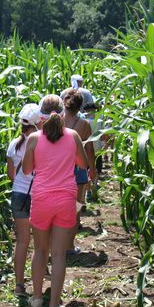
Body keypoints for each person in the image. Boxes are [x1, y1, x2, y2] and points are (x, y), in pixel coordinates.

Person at [22, 95, 89, 307]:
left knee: (40, 250)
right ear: (63, 113)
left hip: (41, 200)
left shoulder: (33, 139)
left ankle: (37, 297)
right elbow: (83, 164)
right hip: (65, 201)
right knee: (59, 254)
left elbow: (26, 170)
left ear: (40, 115)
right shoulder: (73, 136)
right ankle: (54, 306)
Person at [6, 103, 42, 296]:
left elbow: (11, 175)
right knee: (39, 243)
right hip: (37, 196)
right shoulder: (39, 142)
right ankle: (39, 284)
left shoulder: (14, 144)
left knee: (21, 241)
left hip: (18, 195)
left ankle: (19, 285)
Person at [61, 89, 96, 254]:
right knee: (75, 209)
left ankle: (57, 242)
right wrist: (93, 170)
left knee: (60, 207)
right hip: (78, 171)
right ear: (80, 106)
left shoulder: (56, 121)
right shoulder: (84, 125)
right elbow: (89, 151)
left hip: (60, 170)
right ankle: (68, 245)